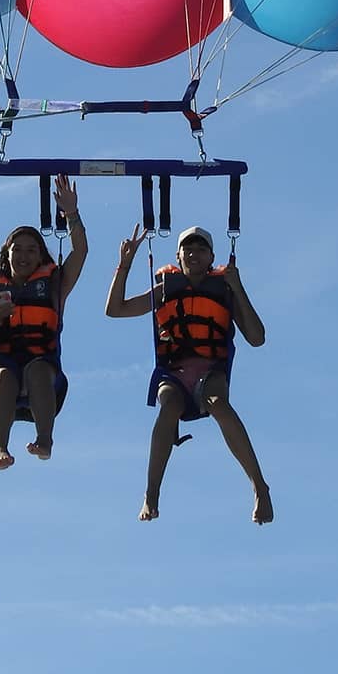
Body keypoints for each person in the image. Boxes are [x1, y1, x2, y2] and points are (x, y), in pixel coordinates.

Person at [106, 222, 272, 524]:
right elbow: (115, 309)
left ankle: (259, 486)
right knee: (168, 407)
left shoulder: (224, 290)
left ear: (211, 258)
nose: (194, 254)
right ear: (178, 256)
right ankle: (151, 495)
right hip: (174, 372)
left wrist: (237, 286)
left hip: (211, 371)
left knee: (217, 403)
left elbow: (257, 337)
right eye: (188, 249)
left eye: (201, 249)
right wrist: (125, 265)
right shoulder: (167, 289)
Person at [0, 176, 87, 470]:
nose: (24, 255)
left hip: (41, 365)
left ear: (40, 256)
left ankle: (45, 439)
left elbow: (80, 253)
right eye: (18, 249)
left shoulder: (54, 289)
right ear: (7, 254)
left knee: (38, 371)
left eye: (32, 250)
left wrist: (71, 214)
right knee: (5, 377)